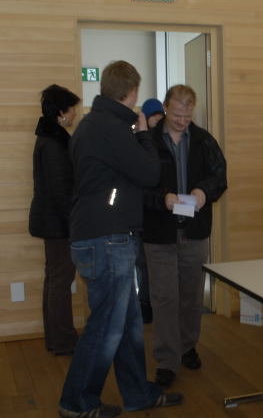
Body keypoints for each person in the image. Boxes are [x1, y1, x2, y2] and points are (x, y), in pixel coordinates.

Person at [59, 60, 182, 418]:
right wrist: (143, 134)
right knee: (106, 328)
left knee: (127, 324)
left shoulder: (90, 124)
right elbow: (149, 172)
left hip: (98, 235)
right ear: (131, 92)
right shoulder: (112, 128)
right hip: (108, 239)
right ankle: (76, 402)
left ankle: (138, 393)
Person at [143, 84, 227, 388]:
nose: (182, 121)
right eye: (177, 115)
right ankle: (167, 360)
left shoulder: (204, 140)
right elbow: (138, 185)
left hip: (194, 231)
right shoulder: (148, 141)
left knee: (191, 296)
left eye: (187, 116)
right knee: (164, 298)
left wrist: (204, 191)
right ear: (165, 107)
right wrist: (161, 198)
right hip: (159, 233)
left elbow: (220, 176)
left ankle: (188, 346)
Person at [28, 84, 80, 356]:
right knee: (60, 281)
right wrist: (74, 225)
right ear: (61, 112)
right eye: (72, 109)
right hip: (58, 223)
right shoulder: (55, 143)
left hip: (51, 221)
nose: (74, 114)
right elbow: (62, 192)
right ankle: (64, 340)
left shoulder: (48, 138)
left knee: (54, 279)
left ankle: (55, 338)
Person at [135, 98, 166, 324]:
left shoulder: (165, 141)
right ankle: (144, 305)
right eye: (153, 116)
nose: (157, 119)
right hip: (141, 216)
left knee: (156, 266)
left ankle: (155, 305)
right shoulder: (139, 142)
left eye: (159, 115)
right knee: (143, 265)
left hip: (160, 214)